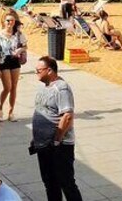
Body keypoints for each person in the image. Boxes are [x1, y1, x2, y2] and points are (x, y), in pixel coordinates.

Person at [31, 56, 83, 201]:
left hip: (59, 146)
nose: (36, 73)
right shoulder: (45, 87)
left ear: (49, 70)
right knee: (50, 183)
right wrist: (36, 138)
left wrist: (57, 140)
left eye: (38, 70)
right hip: (44, 145)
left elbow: (67, 116)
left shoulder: (61, 88)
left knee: (66, 183)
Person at [0, 9, 27, 122]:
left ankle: (11, 112)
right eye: (8, 20)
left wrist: (20, 49)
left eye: (12, 20)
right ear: (4, 21)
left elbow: (25, 46)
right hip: (3, 61)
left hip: (14, 60)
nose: (10, 23)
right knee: (7, 87)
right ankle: (0, 107)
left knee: (14, 86)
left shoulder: (18, 34)